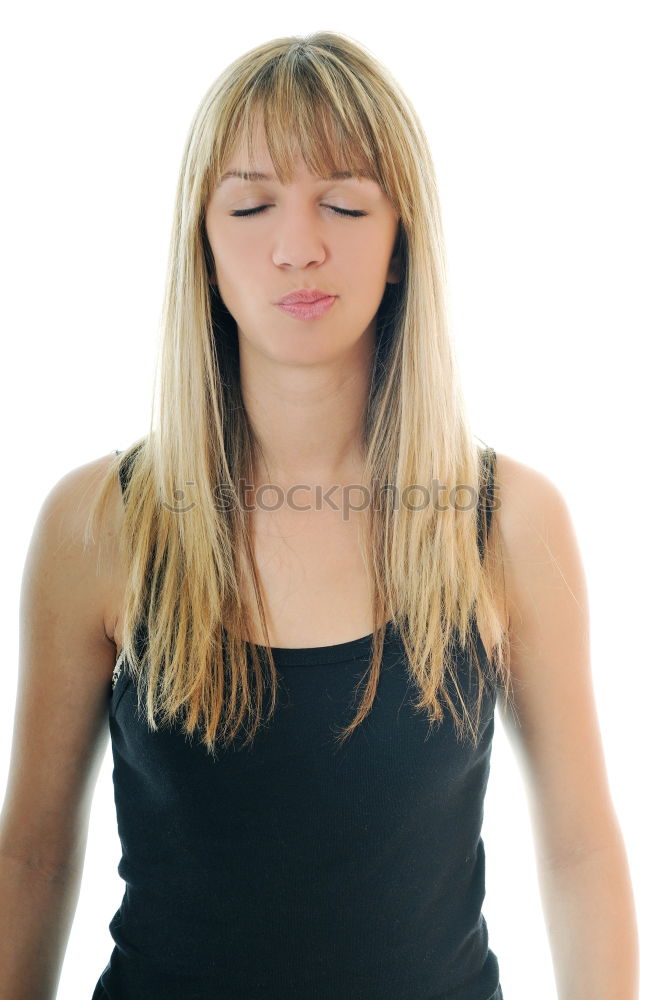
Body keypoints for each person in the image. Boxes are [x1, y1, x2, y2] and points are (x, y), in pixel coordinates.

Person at [0, 31, 638, 1000]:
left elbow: (579, 852)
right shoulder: (101, 520)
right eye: (251, 205)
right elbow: (34, 856)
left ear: (399, 244)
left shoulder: (507, 520)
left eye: (344, 203)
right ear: (203, 248)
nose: (298, 245)